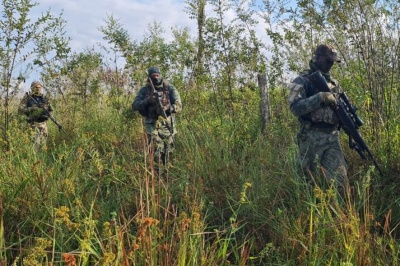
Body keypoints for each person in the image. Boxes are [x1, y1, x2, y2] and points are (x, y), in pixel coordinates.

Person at [287, 44, 348, 196]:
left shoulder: (334, 83)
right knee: (309, 185)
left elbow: (342, 109)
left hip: (332, 137)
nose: (330, 64)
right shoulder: (303, 80)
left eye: (332, 61)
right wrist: (319, 97)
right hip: (311, 138)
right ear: (318, 57)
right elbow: (295, 107)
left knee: (341, 183)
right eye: (328, 60)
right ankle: (309, 217)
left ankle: (342, 216)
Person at [132, 67, 182, 173]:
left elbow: (179, 105)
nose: (155, 77)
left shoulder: (169, 88)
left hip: (167, 123)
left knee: (168, 150)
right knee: (155, 147)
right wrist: (147, 100)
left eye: (157, 75)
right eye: (153, 76)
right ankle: (157, 174)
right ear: (149, 77)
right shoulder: (145, 90)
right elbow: (135, 105)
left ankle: (167, 173)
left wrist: (169, 108)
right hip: (152, 123)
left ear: (160, 75)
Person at [18, 81, 53, 150]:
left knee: (43, 147)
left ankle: (42, 160)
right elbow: (20, 110)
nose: (38, 89)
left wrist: (48, 116)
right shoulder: (27, 98)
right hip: (33, 125)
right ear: (32, 88)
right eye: (36, 87)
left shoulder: (44, 98)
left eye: (40, 87)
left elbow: (51, 110)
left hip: (43, 125)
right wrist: (31, 109)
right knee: (35, 147)